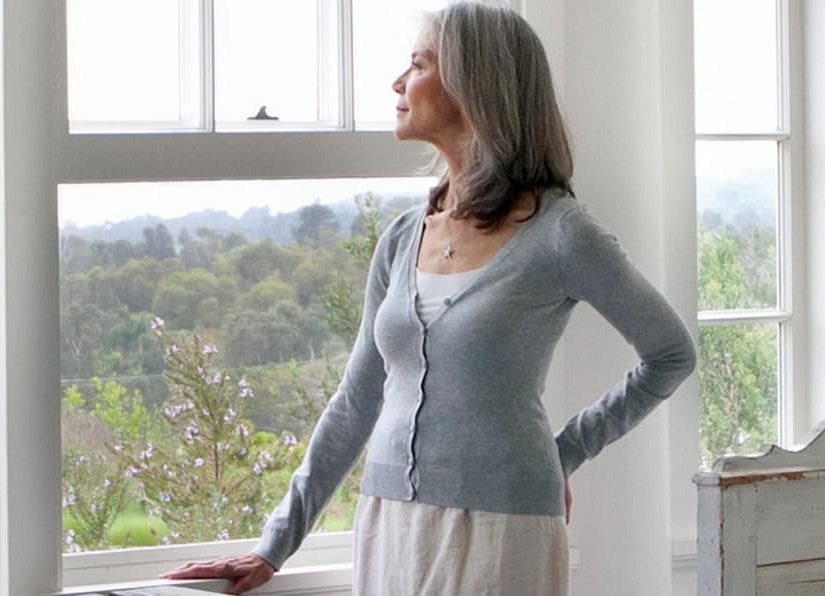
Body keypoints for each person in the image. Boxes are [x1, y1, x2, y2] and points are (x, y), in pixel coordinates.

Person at [160, 2, 696, 594]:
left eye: (418, 64)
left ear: (474, 85)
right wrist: (273, 546)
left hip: (502, 526)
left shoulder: (560, 234)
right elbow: (356, 401)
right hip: (388, 522)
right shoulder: (401, 239)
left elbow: (671, 354)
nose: (398, 82)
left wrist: (562, 452)